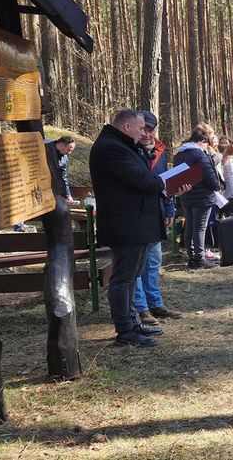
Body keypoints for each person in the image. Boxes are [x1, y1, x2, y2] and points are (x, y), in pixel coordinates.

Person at [89, 110, 175, 347]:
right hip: (126, 223)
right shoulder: (112, 148)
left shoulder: (123, 145)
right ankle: (125, 329)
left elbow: (143, 175)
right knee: (123, 278)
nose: (143, 133)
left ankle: (133, 321)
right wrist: (168, 184)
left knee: (131, 275)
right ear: (127, 127)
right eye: (140, 129)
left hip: (135, 223)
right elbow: (142, 179)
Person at [133, 111, 183, 326]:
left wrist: (169, 209)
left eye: (150, 130)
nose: (146, 134)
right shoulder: (128, 150)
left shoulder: (161, 151)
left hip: (157, 212)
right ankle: (141, 308)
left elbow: (166, 183)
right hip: (134, 215)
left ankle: (155, 303)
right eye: (142, 129)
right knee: (136, 264)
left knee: (153, 262)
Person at [174, 128, 223, 269]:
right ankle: (199, 259)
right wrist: (217, 185)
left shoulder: (180, 154)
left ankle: (192, 257)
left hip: (186, 195)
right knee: (200, 227)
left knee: (189, 226)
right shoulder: (199, 154)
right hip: (202, 197)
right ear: (202, 141)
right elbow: (209, 176)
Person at [46, 136, 76, 206]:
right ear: (61, 145)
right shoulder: (45, 149)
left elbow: (63, 176)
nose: (69, 153)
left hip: (53, 189)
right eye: (69, 150)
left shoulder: (64, 156)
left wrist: (67, 195)